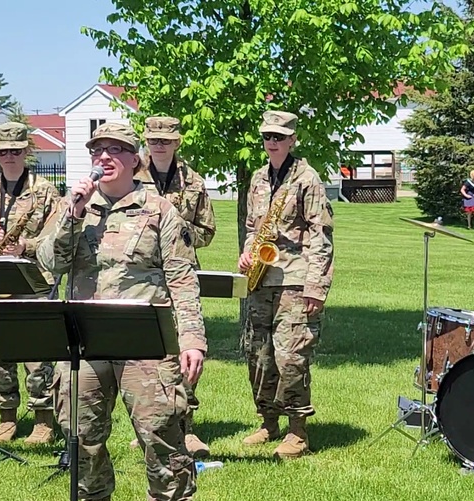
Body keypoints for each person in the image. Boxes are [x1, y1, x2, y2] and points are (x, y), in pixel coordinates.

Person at [37, 122, 206, 501]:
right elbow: (48, 264)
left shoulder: (161, 210)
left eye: (115, 150)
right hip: (85, 341)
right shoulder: (76, 207)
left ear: (135, 159)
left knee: (159, 434)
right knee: (80, 431)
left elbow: (183, 281)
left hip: (144, 341)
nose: (105, 157)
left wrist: (191, 339)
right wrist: (71, 215)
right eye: (98, 150)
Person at [236, 110, 333, 459]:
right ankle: (268, 421)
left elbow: (320, 235)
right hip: (261, 279)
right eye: (267, 137)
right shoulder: (259, 178)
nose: (272, 142)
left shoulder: (307, 178)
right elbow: (251, 228)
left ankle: (298, 431)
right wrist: (247, 253)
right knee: (258, 355)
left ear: (292, 139)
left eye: (279, 137)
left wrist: (315, 287)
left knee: (291, 356)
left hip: (295, 278)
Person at [0, 122, 61, 445]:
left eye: (15, 151)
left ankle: (43, 421)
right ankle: (6, 417)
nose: (9, 157)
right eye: (2, 151)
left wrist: (26, 246)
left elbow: (58, 237)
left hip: (34, 281)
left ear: (26, 152)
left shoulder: (45, 191)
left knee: (38, 353)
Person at [134, 115, 216, 457]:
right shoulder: (132, 177)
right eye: (153, 140)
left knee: (185, 349)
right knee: (144, 354)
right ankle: (147, 423)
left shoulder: (193, 182)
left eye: (165, 140)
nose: (159, 145)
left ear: (177, 142)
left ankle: (186, 426)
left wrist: (179, 227)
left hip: (179, 275)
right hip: (140, 276)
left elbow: (207, 232)